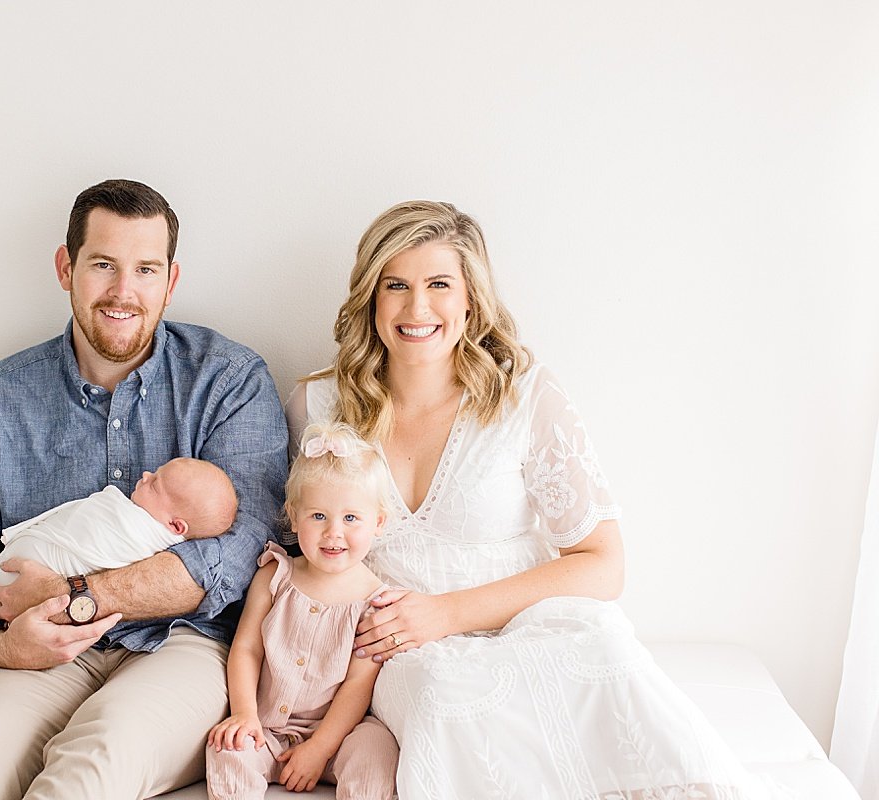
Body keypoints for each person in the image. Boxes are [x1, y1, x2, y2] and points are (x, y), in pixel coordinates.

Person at [287, 200, 775, 799]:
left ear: (471, 298)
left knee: (610, 665)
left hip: (534, 617)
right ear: (371, 297)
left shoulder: (525, 395)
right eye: (396, 285)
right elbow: (294, 554)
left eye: (439, 284)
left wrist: (449, 612)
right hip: (405, 650)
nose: (417, 308)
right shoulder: (318, 408)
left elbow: (604, 563)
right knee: (450, 699)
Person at [0, 179, 288, 800]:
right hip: (35, 644)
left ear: (170, 280)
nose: (124, 292)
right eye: (103, 265)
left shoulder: (229, 381)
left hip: (183, 644)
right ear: (67, 268)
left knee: (96, 763)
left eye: (145, 269)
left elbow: (243, 549)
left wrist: (80, 595)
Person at [205, 422, 398, 800]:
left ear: (378, 522)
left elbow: (357, 687)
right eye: (318, 516)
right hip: (266, 732)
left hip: (334, 739)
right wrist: (244, 714)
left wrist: (320, 749)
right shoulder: (275, 575)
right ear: (294, 518)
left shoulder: (375, 604)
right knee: (226, 746)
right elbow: (247, 649)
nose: (333, 533)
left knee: (378, 746)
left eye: (351, 518)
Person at [0, 457, 238, 587]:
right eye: (155, 472)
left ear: (175, 526)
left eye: (154, 483)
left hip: (26, 570)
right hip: (17, 576)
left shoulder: (141, 535)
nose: (145, 475)